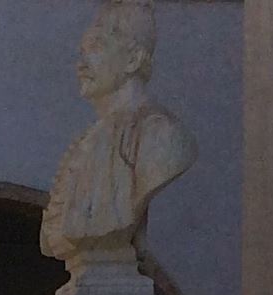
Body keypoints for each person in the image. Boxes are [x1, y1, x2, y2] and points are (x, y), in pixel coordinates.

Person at [41, 0, 197, 263]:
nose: (81, 64)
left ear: (133, 60)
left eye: (96, 47)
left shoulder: (160, 135)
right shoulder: (91, 139)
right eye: (83, 51)